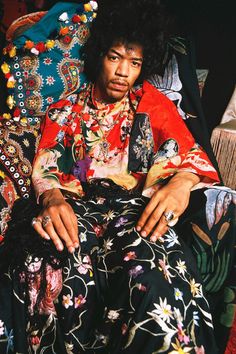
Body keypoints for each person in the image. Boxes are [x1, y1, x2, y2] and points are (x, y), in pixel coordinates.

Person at [0, 1, 221, 353]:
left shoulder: (152, 104)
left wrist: (181, 182)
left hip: (133, 209)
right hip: (80, 207)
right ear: (99, 56)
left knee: (152, 279)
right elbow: (45, 163)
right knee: (50, 262)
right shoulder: (66, 108)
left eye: (134, 63)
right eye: (115, 58)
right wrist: (52, 198)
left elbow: (189, 152)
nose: (123, 72)